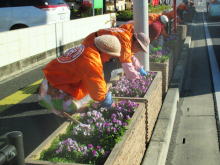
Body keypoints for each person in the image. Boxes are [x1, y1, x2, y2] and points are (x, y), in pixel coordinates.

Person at [38, 35, 121, 117]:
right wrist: (110, 105)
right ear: (104, 51)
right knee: (73, 112)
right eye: (110, 57)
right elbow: (98, 90)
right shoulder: (91, 60)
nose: (108, 61)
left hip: (50, 82)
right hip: (55, 90)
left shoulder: (87, 47)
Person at [82, 27, 150, 81]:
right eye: (140, 49)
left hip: (95, 44)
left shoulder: (128, 37)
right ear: (136, 43)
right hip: (91, 46)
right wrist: (136, 79)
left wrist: (139, 68)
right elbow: (127, 64)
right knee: (89, 72)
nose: (138, 51)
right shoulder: (125, 42)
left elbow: (129, 56)